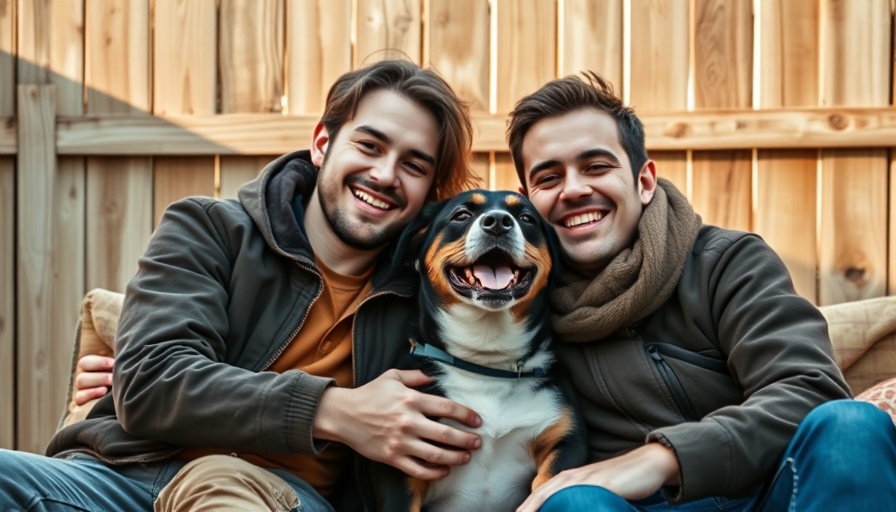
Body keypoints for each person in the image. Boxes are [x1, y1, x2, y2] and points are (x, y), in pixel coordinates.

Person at [0, 59, 484, 511]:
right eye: (369, 145)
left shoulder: (433, 294)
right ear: (322, 144)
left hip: (281, 495)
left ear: (431, 192)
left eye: (414, 165)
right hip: (123, 478)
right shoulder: (209, 228)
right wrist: (335, 410)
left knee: (219, 478)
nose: (384, 174)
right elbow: (151, 381)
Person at [505, 72, 896, 511]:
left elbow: (809, 390)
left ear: (644, 181)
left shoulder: (727, 262)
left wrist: (661, 457)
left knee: (851, 427)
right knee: (573, 503)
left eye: (597, 167)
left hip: (769, 497)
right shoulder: (511, 306)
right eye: (549, 178)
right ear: (525, 201)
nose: (574, 189)